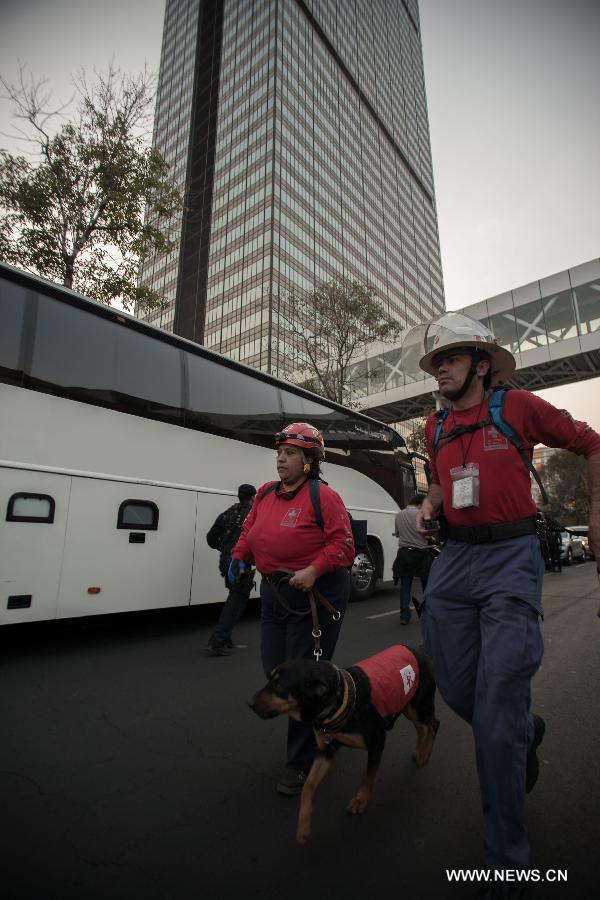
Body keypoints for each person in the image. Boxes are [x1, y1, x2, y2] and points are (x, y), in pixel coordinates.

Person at [409, 312, 600, 889]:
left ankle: (507, 856)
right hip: (453, 563)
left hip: (510, 559)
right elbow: (442, 483)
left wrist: (595, 513)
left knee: (495, 719)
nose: (439, 368)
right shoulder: (432, 427)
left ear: (481, 364)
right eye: (436, 361)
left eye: (450, 358)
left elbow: (591, 442)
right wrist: (430, 504)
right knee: (460, 689)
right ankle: (522, 728)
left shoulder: (517, 408)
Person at [229, 422, 354, 795]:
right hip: (275, 593)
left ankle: (300, 764)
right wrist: (239, 556)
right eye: (279, 452)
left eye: (290, 454)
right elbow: (250, 532)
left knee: (297, 682)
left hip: (316, 596)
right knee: (274, 670)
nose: (281, 459)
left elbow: (344, 546)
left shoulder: (323, 497)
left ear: (308, 461)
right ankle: (333, 714)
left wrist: (314, 570)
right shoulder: (266, 493)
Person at [206, 483, 256, 656]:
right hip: (240, 563)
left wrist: (224, 548)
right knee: (237, 601)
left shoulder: (227, 513)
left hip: (225, 560)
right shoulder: (252, 514)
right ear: (252, 497)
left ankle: (225, 638)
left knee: (234, 597)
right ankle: (218, 641)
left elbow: (210, 538)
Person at [392, 494, 432, 625]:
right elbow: (428, 535)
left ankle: (404, 616)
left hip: (404, 554)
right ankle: (428, 613)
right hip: (421, 553)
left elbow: (397, 533)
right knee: (426, 585)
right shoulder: (421, 515)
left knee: (405, 586)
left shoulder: (399, 514)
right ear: (420, 504)